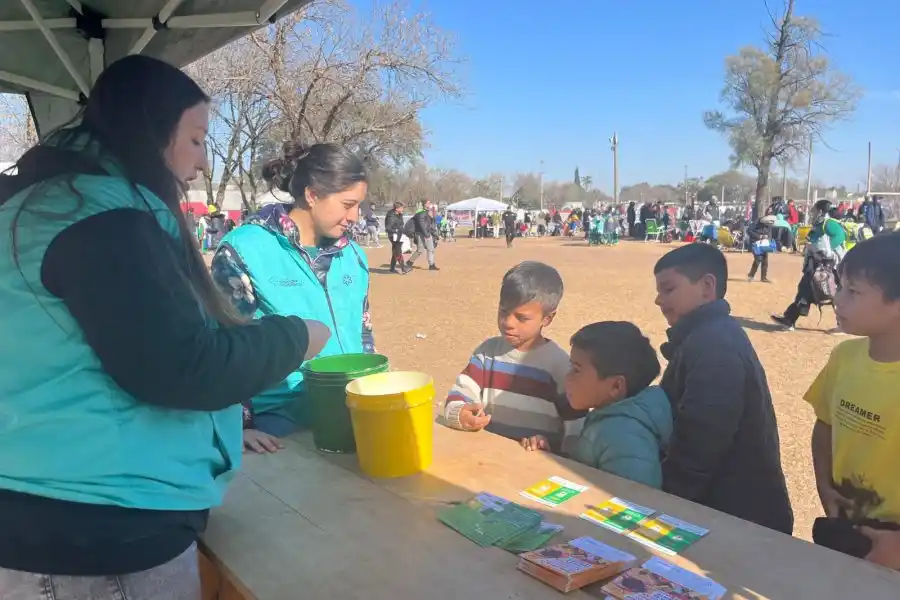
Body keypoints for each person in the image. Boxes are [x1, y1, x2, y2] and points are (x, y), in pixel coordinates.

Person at [0, 55, 328, 598]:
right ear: (150, 131)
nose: (202, 161)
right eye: (196, 139)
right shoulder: (101, 219)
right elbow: (182, 365)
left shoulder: (48, 204)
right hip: (96, 533)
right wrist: (297, 337)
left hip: (52, 506)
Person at [212, 141, 373, 448]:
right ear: (312, 195)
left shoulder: (354, 256)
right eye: (347, 204)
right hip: (277, 424)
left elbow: (364, 334)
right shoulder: (244, 249)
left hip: (349, 413)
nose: (355, 216)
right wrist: (238, 425)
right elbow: (224, 345)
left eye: (359, 206)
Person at [653, 244, 793, 534]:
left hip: (736, 519)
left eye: (668, 289)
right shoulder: (706, 335)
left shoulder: (715, 347)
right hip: (726, 511)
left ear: (707, 287)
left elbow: (701, 440)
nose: (658, 300)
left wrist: (666, 503)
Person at [805, 233, 900, 570]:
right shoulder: (843, 357)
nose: (837, 299)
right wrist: (824, 486)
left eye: (853, 292)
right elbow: (825, 425)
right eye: (841, 286)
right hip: (846, 529)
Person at [440, 262, 586, 454]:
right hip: (485, 458)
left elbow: (577, 430)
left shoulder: (559, 366)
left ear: (547, 319)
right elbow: (460, 394)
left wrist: (553, 449)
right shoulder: (487, 353)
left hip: (535, 466)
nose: (508, 322)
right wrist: (460, 414)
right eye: (503, 311)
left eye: (521, 318)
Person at [530, 321, 671, 489]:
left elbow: (633, 498)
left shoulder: (624, 437)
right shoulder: (608, 418)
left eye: (576, 370)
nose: (567, 377)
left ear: (616, 386)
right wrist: (550, 458)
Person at [771, 199, 847, 331]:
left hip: (826, 266)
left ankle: (843, 325)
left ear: (821, 211)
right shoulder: (819, 224)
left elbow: (840, 236)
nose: (812, 212)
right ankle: (789, 319)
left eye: (815, 210)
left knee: (835, 293)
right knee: (805, 290)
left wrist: (825, 252)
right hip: (815, 264)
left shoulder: (828, 223)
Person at [406, 200, 439, 271]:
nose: (430, 204)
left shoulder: (427, 212)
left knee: (430, 249)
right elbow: (422, 225)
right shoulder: (421, 212)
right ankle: (410, 262)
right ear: (424, 204)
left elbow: (429, 225)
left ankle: (431, 265)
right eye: (428, 203)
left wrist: (434, 233)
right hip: (421, 234)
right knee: (420, 250)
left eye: (430, 203)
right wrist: (427, 235)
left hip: (426, 233)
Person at [747, 214, 776, 282]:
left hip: (764, 243)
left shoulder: (769, 224)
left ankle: (763, 278)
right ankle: (751, 275)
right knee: (758, 260)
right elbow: (749, 231)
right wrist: (759, 236)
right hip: (755, 243)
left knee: (765, 260)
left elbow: (769, 234)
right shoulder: (756, 223)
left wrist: (768, 238)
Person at [385, 201, 410, 274]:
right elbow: (388, 228)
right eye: (401, 208)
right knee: (398, 251)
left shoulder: (399, 215)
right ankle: (403, 268)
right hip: (393, 236)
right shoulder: (391, 216)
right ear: (397, 208)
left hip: (399, 235)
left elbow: (401, 225)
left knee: (395, 252)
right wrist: (396, 230)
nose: (403, 209)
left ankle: (392, 269)